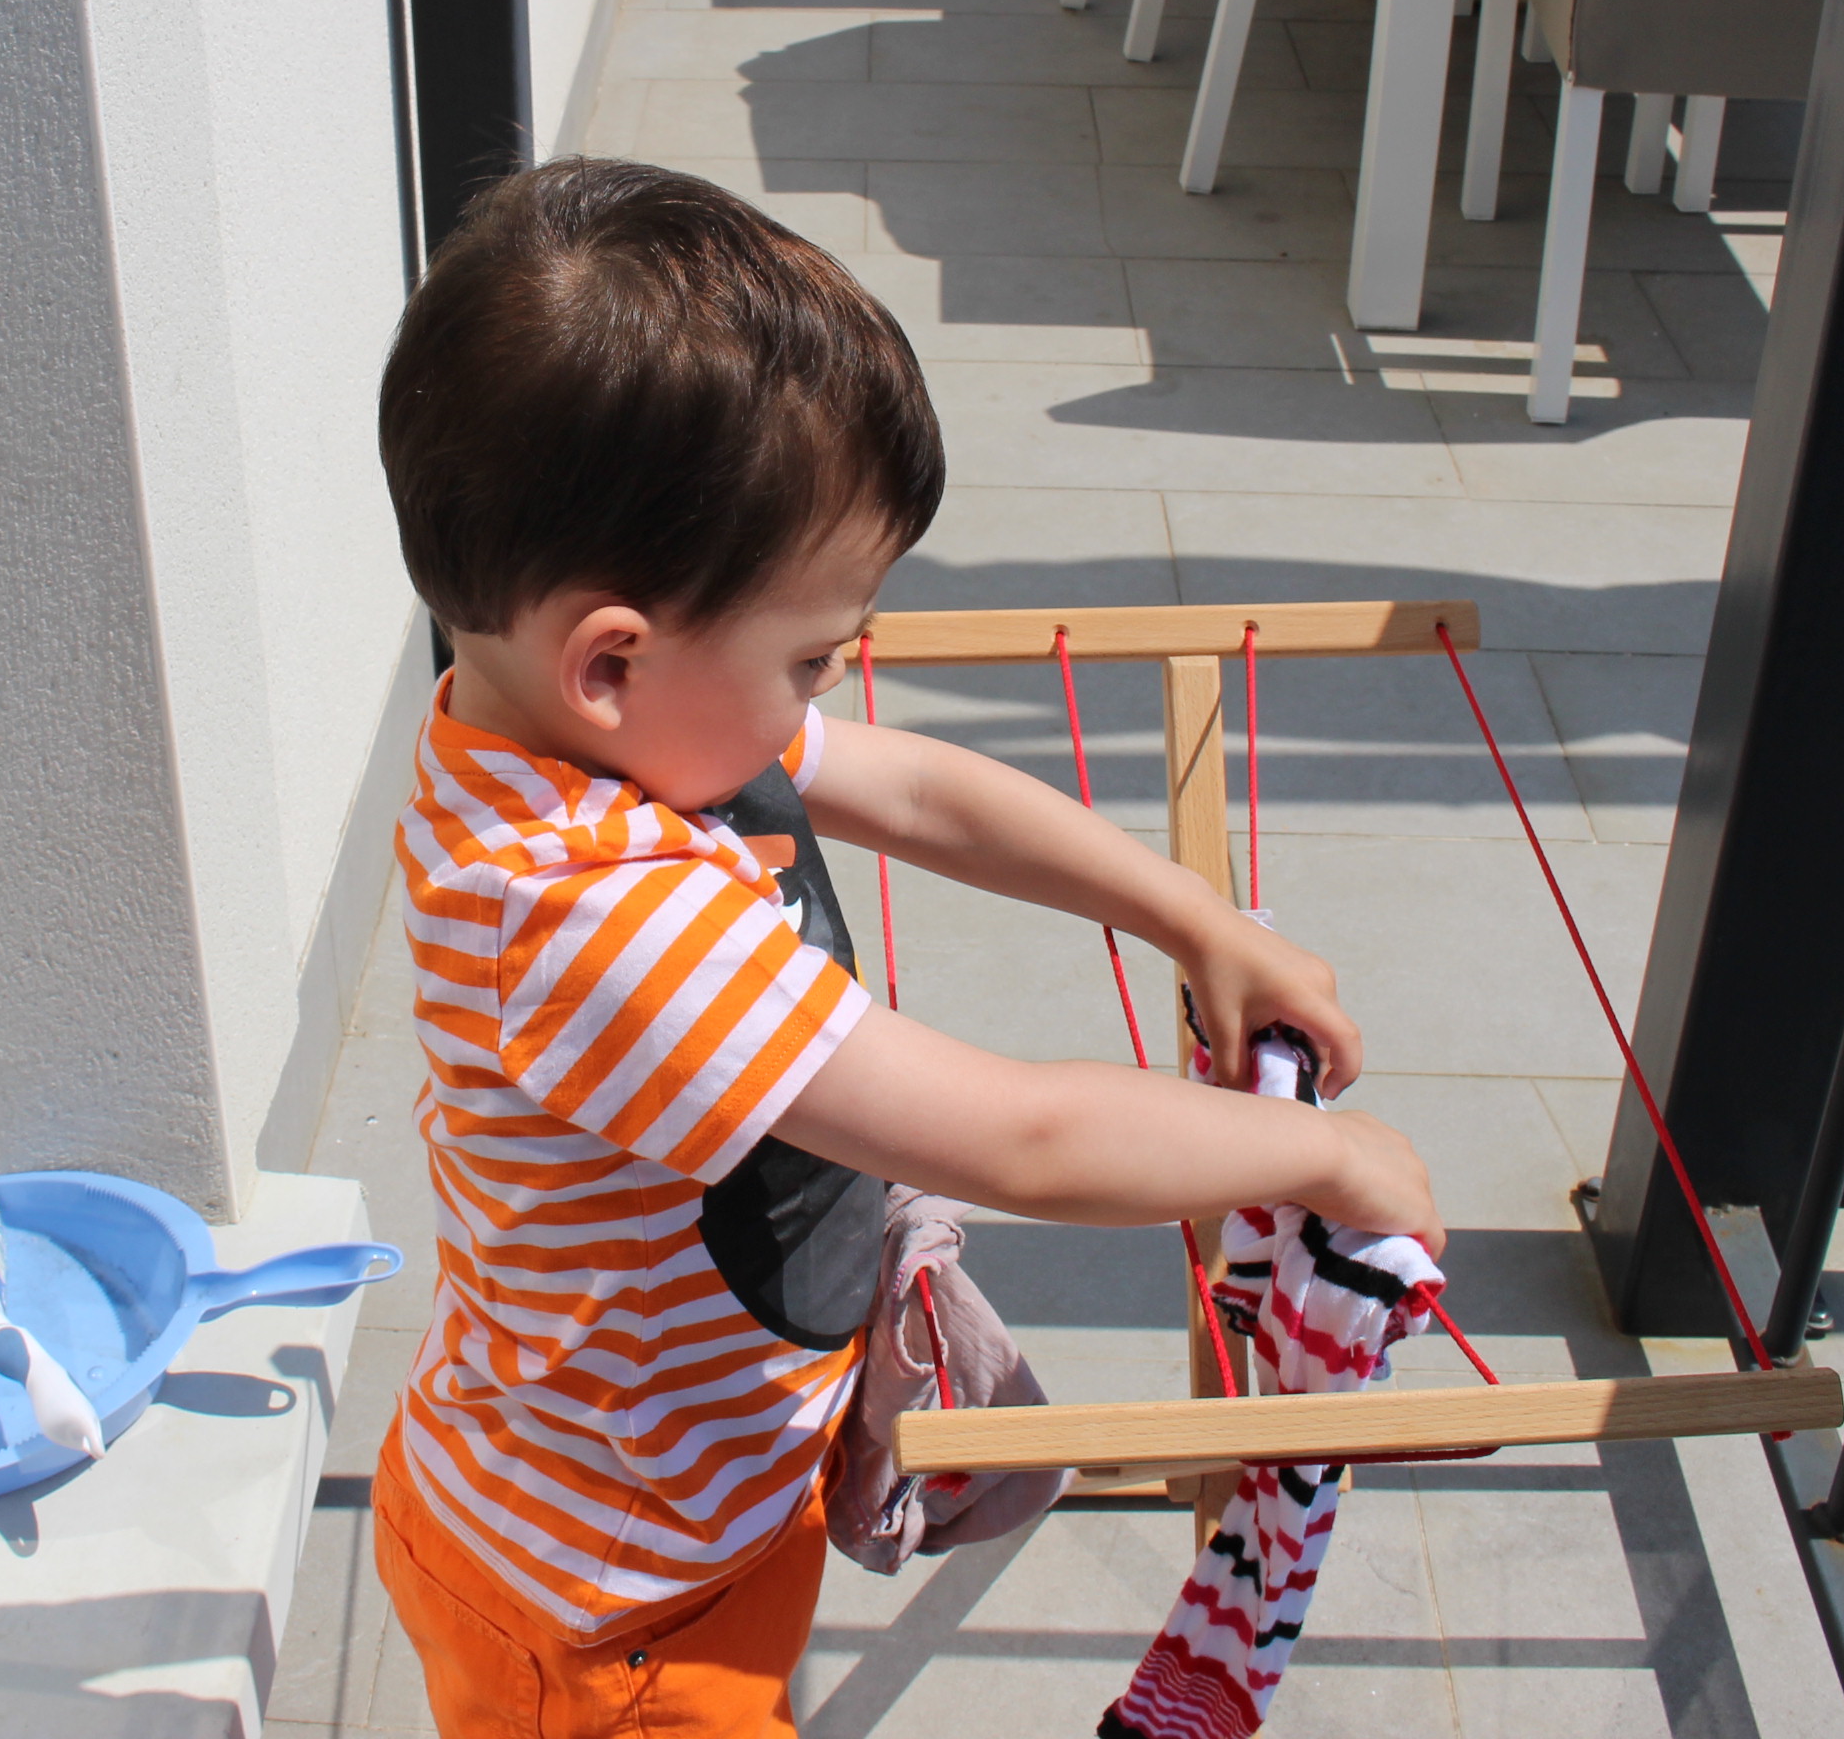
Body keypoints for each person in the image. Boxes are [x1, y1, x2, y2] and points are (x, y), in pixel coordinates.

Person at [371, 157, 1444, 1739]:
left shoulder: (601, 732)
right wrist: (1328, 1156)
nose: (818, 704)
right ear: (611, 660)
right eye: (811, 658)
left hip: (691, 1501)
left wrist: (1192, 916)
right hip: (611, 1612)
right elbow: (1024, 1135)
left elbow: (924, 790)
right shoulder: (583, 910)